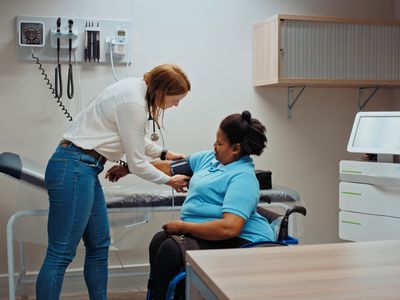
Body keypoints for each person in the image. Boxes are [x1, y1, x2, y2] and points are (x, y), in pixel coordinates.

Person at [36, 64, 191, 300]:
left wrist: (165, 154)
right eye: (175, 99)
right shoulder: (134, 103)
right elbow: (138, 163)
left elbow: (133, 137)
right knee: (61, 253)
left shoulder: (134, 90)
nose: (176, 105)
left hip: (83, 169)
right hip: (74, 167)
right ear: (161, 91)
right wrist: (170, 180)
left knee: (99, 245)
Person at [148, 111, 275, 300]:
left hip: (246, 243)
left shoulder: (243, 178)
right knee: (159, 240)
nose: (214, 147)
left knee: (170, 250)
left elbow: (230, 228)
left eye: (220, 143)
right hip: (218, 234)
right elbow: (169, 167)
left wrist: (183, 227)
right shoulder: (209, 159)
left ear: (235, 149)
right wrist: (131, 167)